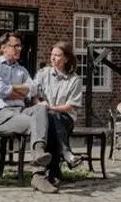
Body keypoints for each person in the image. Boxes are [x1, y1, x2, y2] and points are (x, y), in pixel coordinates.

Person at [0, 33, 54, 192]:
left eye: (20, 46)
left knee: (41, 109)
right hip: (2, 114)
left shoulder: (21, 69)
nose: (19, 49)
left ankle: (38, 152)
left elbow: (34, 89)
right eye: (15, 46)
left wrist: (11, 90)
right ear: (3, 47)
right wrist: (21, 90)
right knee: (38, 124)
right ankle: (39, 176)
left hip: (21, 110)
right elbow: (1, 90)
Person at [34, 42, 85, 191]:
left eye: (57, 55)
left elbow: (70, 106)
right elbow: (34, 95)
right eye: (52, 55)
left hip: (65, 118)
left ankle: (51, 173)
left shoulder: (74, 80)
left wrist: (50, 108)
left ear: (66, 58)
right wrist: (39, 104)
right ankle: (64, 157)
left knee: (53, 118)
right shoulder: (43, 73)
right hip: (44, 116)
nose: (53, 58)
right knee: (50, 121)